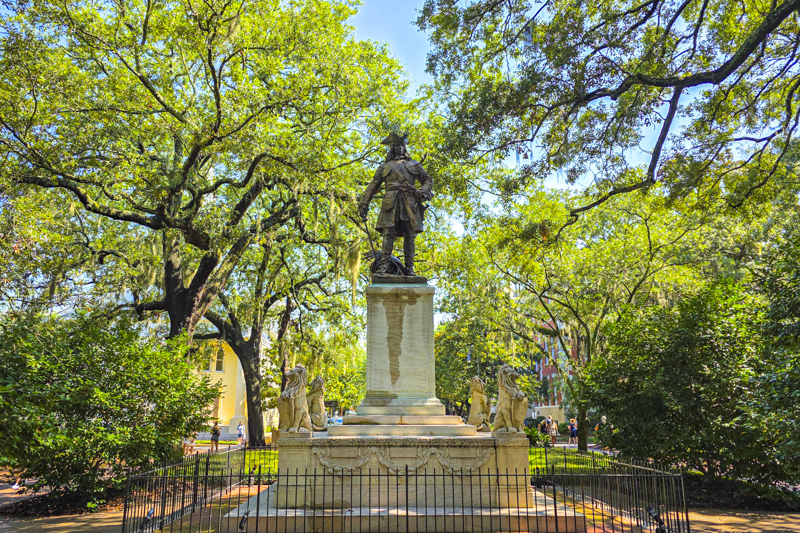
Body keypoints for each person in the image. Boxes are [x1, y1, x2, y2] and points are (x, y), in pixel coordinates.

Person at [358, 133, 433, 276]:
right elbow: (373, 185)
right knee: (388, 233)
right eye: (397, 145)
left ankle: (409, 267)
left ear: (405, 147)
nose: (400, 148)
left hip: (409, 201)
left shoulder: (414, 164)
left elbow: (427, 179)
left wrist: (422, 191)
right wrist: (364, 203)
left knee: (410, 234)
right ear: (393, 148)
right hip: (391, 201)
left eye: (402, 145)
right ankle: (384, 265)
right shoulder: (385, 166)